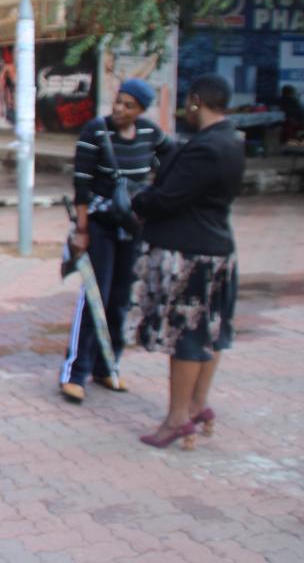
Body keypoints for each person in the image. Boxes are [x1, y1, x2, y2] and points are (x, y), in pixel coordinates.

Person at [131, 74, 245, 449]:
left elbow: (167, 198)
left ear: (196, 101)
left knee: (187, 337)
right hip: (217, 248)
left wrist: (137, 200)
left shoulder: (207, 147)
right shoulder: (232, 140)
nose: (185, 110)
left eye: (187, 103)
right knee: (210, 332)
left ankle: (178, 418)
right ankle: (196, 405)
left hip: (193, 253)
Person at [59, 78, 174, 404]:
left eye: (129, 105)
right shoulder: (96, 131)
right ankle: (75, 373)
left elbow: (171, 159)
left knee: (121, 299)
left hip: (133, 227)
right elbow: (81, 184)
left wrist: (156, 195)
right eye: (119, 102)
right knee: (96, 296)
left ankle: (108, 366)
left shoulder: (150, 133)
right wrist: (82, 230)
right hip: (100, 226)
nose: (120, 109)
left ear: (141, 110)